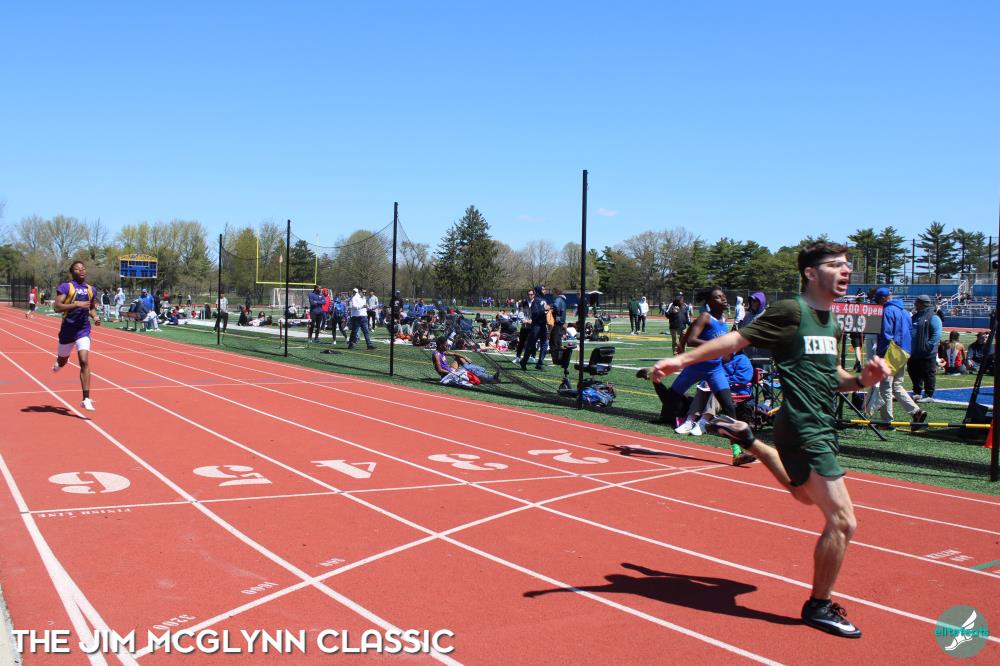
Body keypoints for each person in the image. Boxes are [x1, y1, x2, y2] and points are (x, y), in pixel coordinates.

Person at [650, 241, 892, 639]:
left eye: (847, 265)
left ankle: (751, 441)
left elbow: (834, 377)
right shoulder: (791, 311)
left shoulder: (829, 321)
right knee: (843, 520)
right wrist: (680, 359)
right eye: (835, 264)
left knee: (804, 496)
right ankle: (818, 606)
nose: (846, 270)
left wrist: (862, 379)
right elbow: (735, 341)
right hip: (803, 427)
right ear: (811, 273)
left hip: (819, 426)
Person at [644, 287, 753, 466]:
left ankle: (737, 452)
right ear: (710, 302)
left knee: (729, 408)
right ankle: (655, 379)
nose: (724, 299)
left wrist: (681, 344)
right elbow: (693, 339)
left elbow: (690, 331)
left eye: (724, 296)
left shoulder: (723, 319)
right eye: (718, 297)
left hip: (715, 369)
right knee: (670, 401)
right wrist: (691, 344)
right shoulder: (705, 317)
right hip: (696, 367)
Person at [51, 260, 102, 411]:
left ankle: (86, 398)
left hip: (83, 330)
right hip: (67, 331)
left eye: (83, 268)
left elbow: (91, 308)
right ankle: (60, 363)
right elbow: (57, 307)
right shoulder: (66, 287)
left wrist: (95, 316)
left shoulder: (91, 289)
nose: (81, 271)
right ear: (72, 272)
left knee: (84, 361)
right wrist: (76, 304)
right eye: (77, 269)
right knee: (62, 360)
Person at [872, 287, 926, 428]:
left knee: (885, 386)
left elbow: (885, 335)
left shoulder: (887, 311)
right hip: (904, 351)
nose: (877, 304)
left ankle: (886, 421)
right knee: (896, 385)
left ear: (883, 298)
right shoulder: (905, 311)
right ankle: (916, 411)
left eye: (878, 301)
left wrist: (880, 355)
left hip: (891, 351)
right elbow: (910, 331)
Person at [674, 351, 753, 437]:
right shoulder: (718, 359)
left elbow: (743, 378)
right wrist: (707, 381)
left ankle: (703, 423)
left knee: (717, 391)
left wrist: (720, 382)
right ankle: (689, 421)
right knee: (702, 389)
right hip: (721, 387)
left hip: (737, 390)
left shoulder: (742, 359)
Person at [907, 294, 941, 402]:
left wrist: (928, 345)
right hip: (914, 351)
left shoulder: (933, 316)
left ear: (922, 304)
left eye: (916, 302)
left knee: (928, 373)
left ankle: (928, 394)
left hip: (927, 352)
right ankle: (917, 392)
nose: (915, 304)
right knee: (913, 371)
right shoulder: (915, 316)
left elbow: (937, 333)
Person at [432, 336, 500, 387]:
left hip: (450, 370)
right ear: (441, 345)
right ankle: (490, 377)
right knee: (469, 369)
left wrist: (465, 357)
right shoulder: (436, 355)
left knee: (460, 358)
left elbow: (454, 354)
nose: (447, 346)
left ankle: (477, 370)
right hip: (447, 375)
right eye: (446, 345)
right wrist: (453, 372)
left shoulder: (442, 351)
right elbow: (440, 370)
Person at [520, 286, 549, 370]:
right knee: (531, 344)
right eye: (543, 289)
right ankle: (524, 361)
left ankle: (540, 363)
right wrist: (543, 309)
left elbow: (544, 312)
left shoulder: (544, 300)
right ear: (539, 291)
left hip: (543, 325)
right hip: (536, 326)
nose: (545, 291)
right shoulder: (535, 301)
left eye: (545, 289)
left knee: (545, 344)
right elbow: (535, 313)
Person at [548, 287, 567, 366]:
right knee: (558, 342)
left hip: (557, 323)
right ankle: (559, 359)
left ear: (555, 293)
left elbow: (556, 307)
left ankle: (555, 360)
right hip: (561, 323)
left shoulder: (558, 299)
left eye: (553, 293)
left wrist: (551, 309)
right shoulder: (563, 300)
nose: (552, 295)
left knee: (553, 342)